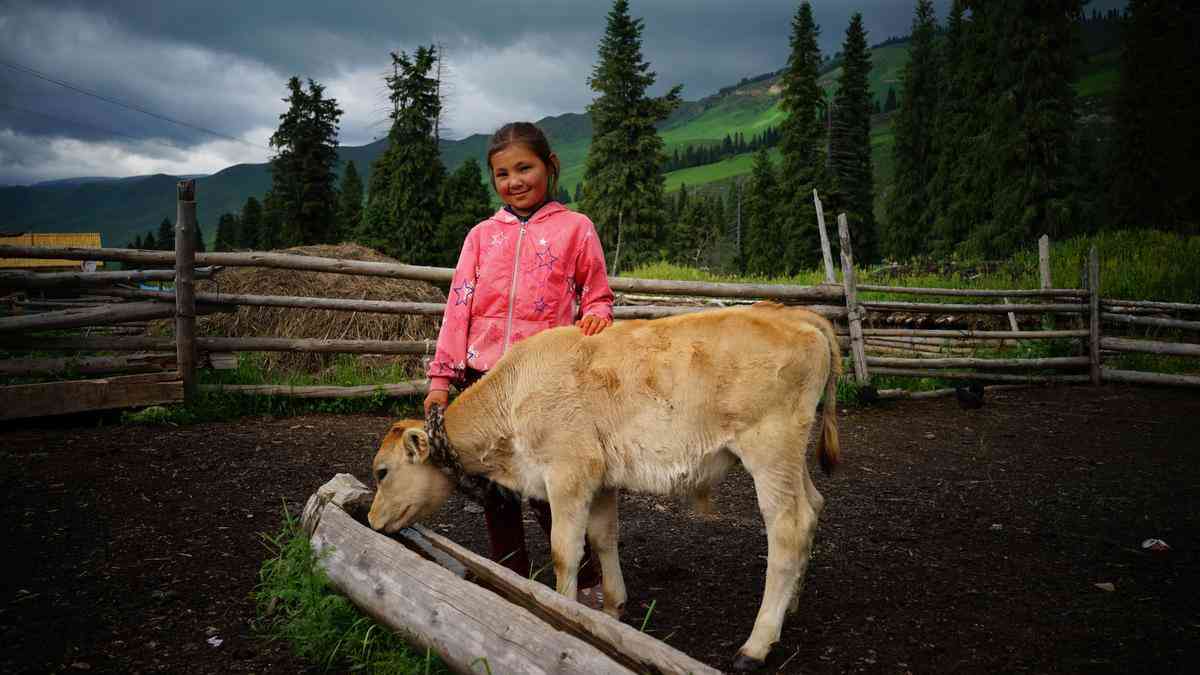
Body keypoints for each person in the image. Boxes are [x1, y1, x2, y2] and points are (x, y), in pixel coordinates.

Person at [424, 121, 614, 606]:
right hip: (484, 383)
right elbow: (458, 309)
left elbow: (597, 294)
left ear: (549, 166)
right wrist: (441, 380)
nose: (514, 181)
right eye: (502, 173)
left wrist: (596, 316)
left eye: (524, 167)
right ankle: (510, 582)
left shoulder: (577, 229)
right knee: (496, 493)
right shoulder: (481, 237)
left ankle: (585, 581)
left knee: (551, 488)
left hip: (543, 385)